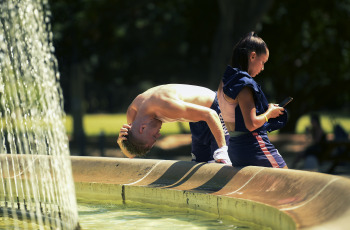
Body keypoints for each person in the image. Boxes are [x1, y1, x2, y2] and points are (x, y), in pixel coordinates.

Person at [217, 31, 288, 168]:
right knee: (290, 183)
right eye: (262, 62)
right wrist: (269, 114)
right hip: (254, 145)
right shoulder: (244, 85)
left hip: (236, 147)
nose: (262, 68)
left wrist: (266, 109)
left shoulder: (227, 80)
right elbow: (251, 124)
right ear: (253, 56)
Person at [117, 84, 231, 164]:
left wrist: (222, 149)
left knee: (220, 162)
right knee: (198, 166)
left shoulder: (166, 105)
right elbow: (132, 154)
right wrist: (122, 142)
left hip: (216, 110)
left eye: (154, 136)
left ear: (143, 128)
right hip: (199, 118)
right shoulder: (133, 116)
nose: (159, 135)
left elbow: (210, 115)